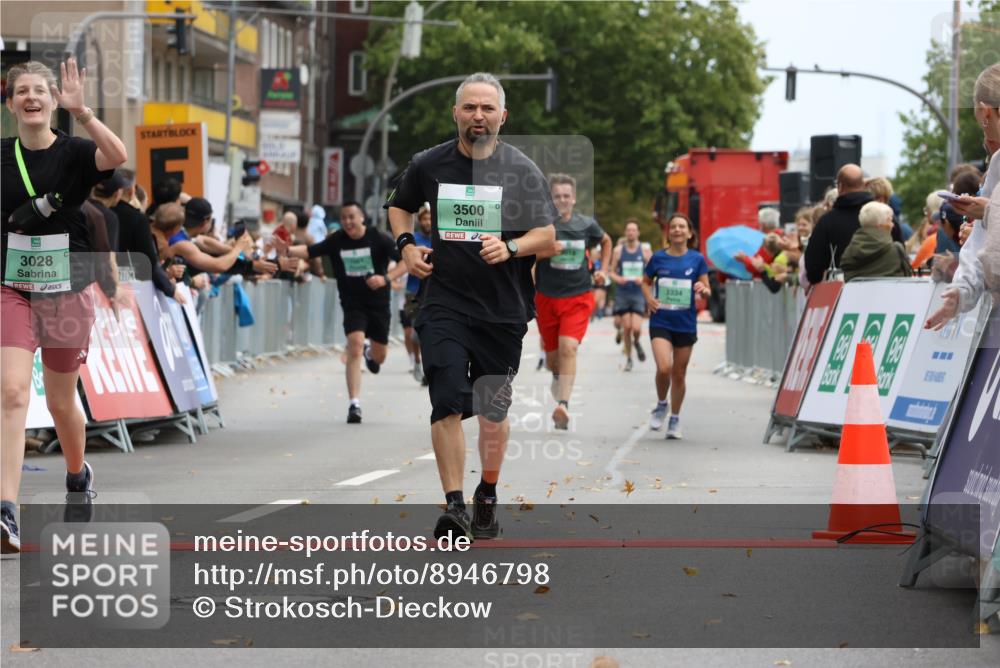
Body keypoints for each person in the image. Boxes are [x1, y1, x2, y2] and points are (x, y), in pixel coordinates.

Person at [385, 72, 557, 541]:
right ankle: (454, 506)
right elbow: (398, 205)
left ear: (503, 116)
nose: (477, 116)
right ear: (456, 113)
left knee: (492, 412)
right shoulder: (429, 163)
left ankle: (487, 492)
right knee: (444, 399)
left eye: (486, 108)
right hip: (443, 301)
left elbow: (547, 236)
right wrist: (406, 245)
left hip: (502, 310)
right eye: (469, 108)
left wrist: (512, 248)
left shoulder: (522, 170)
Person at [1, 58, 128, 553]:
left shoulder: (75, 150)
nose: (31, 97)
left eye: (40, 90)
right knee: (11, 392)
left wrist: (86, 113)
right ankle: (7, 510)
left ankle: (78, 474)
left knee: (59, 402)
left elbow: (115, 154)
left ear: (54, 100)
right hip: (12, 286)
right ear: (10, 103)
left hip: (66, 291)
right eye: (21, 91)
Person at [281, 200, 405, 424]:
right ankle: (354, 405)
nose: (347, 222)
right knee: (354, 345)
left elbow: (406, 261)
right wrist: (287, 249)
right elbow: (310, 250)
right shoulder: (337, 240)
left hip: (378, 304)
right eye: (344, 218)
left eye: (351, 217)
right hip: (352, 302)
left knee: (380, 356)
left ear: (361, 218)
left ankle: (371, 354)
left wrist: (386, 278)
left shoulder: (378, 238)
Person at [533, 173, 610, 429]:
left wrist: (603, 270)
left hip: (578, 296)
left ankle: (563, 405)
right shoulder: (542, 226)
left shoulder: (586, 225)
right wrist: (544, 252)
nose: (562, 200)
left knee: (569, 348)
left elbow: (606, 241)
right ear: (550, 199)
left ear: (574, 198)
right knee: (554, 359)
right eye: (557, 196)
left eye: (566, 196)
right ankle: (557, 374)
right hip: (546, 298)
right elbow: (525, 256)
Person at [927, 63, 1000, 329]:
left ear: (986, 111)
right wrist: (960, 293)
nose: (985, 133)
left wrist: (989, 212)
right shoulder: (998, 164)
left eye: (982, 122)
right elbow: (981, 243)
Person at [641, 214, 709, 439]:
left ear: (689, 233)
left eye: (682, 226)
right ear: (668, 232)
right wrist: (649, 299)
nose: (677, 230)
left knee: (679, 374)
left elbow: (707, 288)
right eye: (673, 227)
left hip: (685, 323)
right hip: (661, 320)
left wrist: (702, 289)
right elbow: (645, 282)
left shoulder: (697, 259)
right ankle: (662, 403)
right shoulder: (658, 258)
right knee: (664, 368)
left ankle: (675, 419)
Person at [106, 169, 181, 301]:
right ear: (131, 191)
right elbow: (149, 263)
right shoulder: (137, 219)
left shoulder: (93, 212)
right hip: (127, 290)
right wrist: (170, 289)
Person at [804, 164, 873, 284]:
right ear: (863, 185)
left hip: (841, 296)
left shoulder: (826, 222)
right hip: (881, 294)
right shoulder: (884, 216)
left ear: (840, 186)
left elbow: (813, 266)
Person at [610, 219, 651, 371]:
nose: (631, 232)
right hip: (623, 293)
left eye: (634, 230)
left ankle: (637, 342)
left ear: (638, 232)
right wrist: (618, 278)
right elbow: (611, 271)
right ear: (625, 233)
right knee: (626, 327)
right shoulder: (618, 251)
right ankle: (629, 359)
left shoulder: (645, 251)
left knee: (636, 328)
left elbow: (653, 271)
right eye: (628, 230)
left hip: (639, 293)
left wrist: (645, 279)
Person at [841, 201, 913, 282]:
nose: (892, 225)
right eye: (889, 220)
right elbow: (908, 279)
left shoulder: (849, 253)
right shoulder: (896, 250)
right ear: (879, 226)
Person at [401, 205, 433, 384]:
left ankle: (429, 369)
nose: (427, 222)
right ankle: (417, 363)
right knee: (414, 334)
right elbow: (402, 262)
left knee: (430, 332)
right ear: (419, 221)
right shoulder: (413, 241)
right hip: (413, 291)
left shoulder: (439, 239)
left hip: (434, 292)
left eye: (430, 219)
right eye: (424, 219)